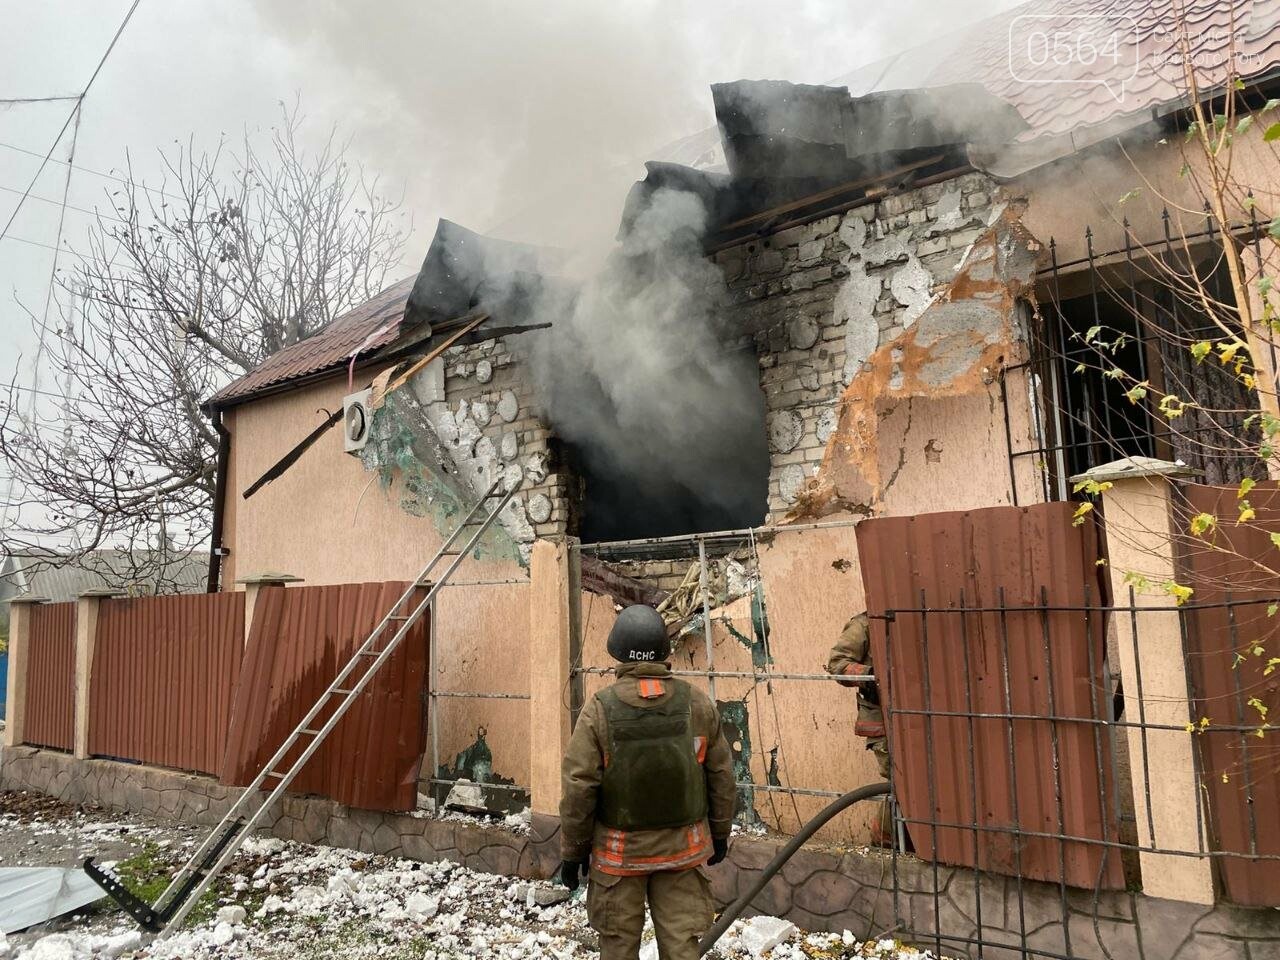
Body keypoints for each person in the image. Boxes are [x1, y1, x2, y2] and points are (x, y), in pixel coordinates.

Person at [559, 603, 737, 960]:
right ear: (663, 651)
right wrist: (720, 833)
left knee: (618, 947)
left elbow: (579, 787)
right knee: (682, 947)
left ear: (618, 651)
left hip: (619, 857)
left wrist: (573, 851)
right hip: (682, 853)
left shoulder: (599, 709)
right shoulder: (697, 703)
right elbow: (721, 776)